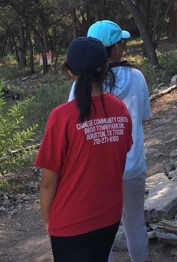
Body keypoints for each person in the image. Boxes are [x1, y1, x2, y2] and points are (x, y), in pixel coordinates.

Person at [35, 37, 133, 262]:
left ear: (70, 72)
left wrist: (48, 220)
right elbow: (119, 155)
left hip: (70, 222)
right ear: (106, 67)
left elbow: (48, 182)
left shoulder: (62, 116)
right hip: (109, 216)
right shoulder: (120, 109)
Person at [68, 20, 151, 262]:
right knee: (135, 221)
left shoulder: (79, 87)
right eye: (121, 42)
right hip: (132, 164)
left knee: (100, 228)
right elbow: (144, 116)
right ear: (115, 47)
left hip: (96, 170)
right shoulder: (136, 77)